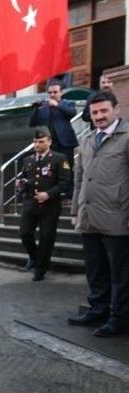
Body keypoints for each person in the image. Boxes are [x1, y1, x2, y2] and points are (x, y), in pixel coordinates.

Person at [68, 91, 129, 338]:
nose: (99, 116)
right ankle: (98, 310)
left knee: (120, 275)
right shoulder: (87, 140)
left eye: (104, 111)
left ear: (115, 109)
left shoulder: (126, 138)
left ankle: (119, 318)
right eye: (95, 112)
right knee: (95, 271)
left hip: (118, 219)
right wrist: (75, 211)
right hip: (89, 216)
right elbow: (79, 178)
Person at [16, 128, 71, 281]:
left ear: (49, 141)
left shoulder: (60, 159)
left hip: (50, 206)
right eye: (35, 142)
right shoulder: (28, 160)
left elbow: (65, 183)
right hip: (30, 204)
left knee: (47, 238)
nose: (37, 144)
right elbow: (24, 176)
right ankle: (34, 257)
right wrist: (19, 183)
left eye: (41, 141)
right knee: (25, 234)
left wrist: (48, 194)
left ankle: (40, 269)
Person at [29, 80, 79, 164]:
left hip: (65, 143)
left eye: (55, 92)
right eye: (50, 92)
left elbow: (72, 113)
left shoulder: (67, 103)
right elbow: (32, 123)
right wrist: (36, 109)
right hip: (49, 144)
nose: (52, 95)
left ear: (61, 93)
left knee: (66, 167)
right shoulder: (43, 108)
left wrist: (57, 105)